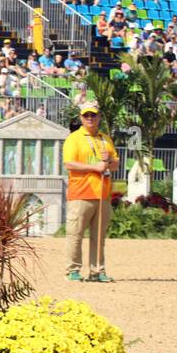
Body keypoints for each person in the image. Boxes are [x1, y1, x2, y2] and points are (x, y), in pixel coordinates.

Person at [64, 101, 118, 282]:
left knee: (99, 237)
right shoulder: (74, 138)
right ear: (80, 118)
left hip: (102, 194)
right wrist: (94, 167)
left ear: (99, 117)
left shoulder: (106, 139)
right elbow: (69, 164)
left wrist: (109, 160)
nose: (90, 118)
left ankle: (97, 271)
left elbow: (116, 164)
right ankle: (73, 270)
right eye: (86, 115)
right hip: (81, 193)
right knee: (75, 234)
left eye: (93, 115)